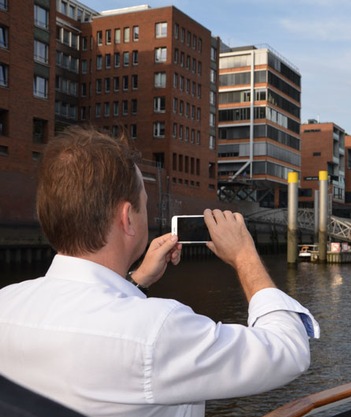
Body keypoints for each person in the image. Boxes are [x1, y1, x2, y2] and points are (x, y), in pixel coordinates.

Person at [0, 126, 319, 417]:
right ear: (127, 218)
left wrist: (137, 281)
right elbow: (288, 350)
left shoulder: (6, 305)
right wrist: (245, 256)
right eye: (144, 203)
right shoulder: (157, 330)